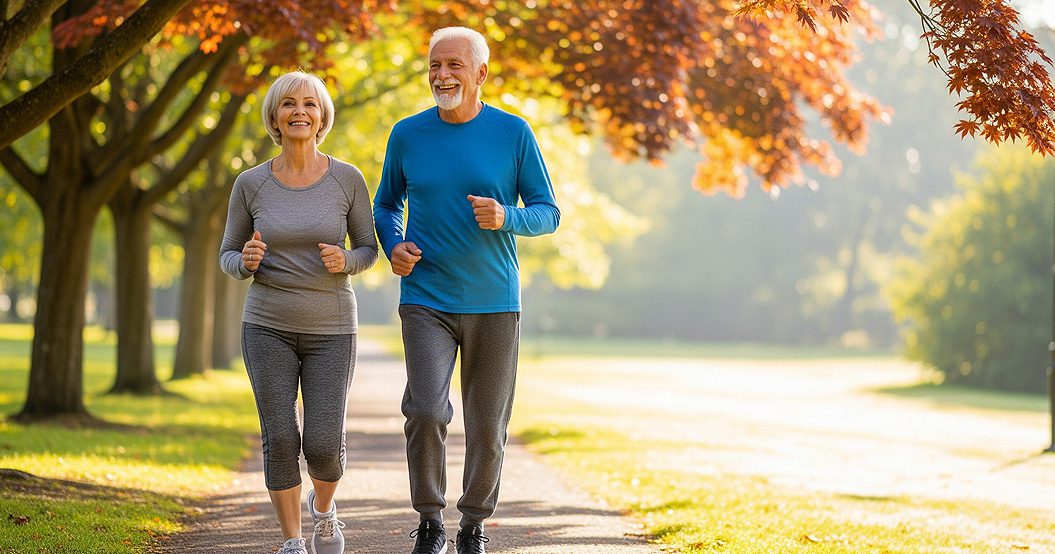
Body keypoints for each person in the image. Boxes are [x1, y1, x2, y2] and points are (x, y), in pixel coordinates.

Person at [373, 26, 561, 554]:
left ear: (480, 73)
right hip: (426, 298)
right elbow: (385, 205)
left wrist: (508, 217)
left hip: (495, 301)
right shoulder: (407, 134)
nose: (442, 75)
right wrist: (394, 244)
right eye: (435, 65)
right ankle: (430, 520)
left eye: (454, 65)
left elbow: (548, 214)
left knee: (487, 424)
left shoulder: (513, 133)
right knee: (427, 411)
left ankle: (473, 524)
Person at [219, 70, 378, 554]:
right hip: (266, 325)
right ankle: (291, 542)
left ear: (322, 116)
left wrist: (345, 260)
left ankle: (325, 513)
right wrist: (244, 262)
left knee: (325, 446)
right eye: (289, 104)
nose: (300, 112)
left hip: (332, 328)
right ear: (274, 116)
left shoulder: (347, 179)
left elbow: (370, 247)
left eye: (309, 104)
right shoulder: (251, 184)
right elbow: (227, 254)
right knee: (281, 438)